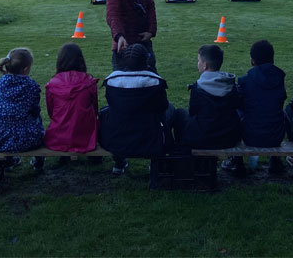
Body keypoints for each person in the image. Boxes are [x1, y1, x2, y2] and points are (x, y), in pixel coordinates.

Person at [99, 44, 174, 175]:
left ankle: (119, 162)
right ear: (146, 60)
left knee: (108, 113)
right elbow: (162, 106)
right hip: (149, 135)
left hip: (117, 136)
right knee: (170, 110)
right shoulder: (155, 81)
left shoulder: (112, 80)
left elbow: (112, 104)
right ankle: (155, 161)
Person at [223, 39, 287, 175]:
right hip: (276, 135)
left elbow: (238, 105)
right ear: (273, 60)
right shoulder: (280, 79)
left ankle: (236, 159)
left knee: (236, 112)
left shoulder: (245, 81)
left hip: (251, 135)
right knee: (276, 111)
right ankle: (275, 160)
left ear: (252, 61)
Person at [173, 44, 241, 151]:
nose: (198, 63)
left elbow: (193, 112)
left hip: (204, 137)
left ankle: (181, 152)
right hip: (229, 137)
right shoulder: (232, 86)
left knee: (180, 114)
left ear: (205, 65)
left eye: (199, 60)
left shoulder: (198, 88)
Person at [44, 43, 99, 153]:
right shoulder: (89, 82)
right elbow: (94, 109)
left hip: (58, 137)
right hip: (85, 137)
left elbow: (51, 112)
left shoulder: (52, 84)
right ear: (81, 60)